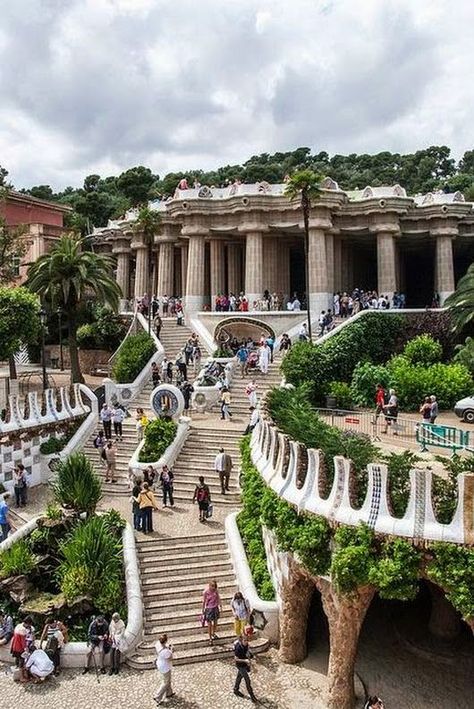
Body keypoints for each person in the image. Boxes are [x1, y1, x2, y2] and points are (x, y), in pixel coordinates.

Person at [233, 633, 258, 703]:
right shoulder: (238, 648)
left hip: (244, 665)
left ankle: (236, 690)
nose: (246, 642)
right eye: (245, 640)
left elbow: (247, 652)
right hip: (240, 666)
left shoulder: (246, 645)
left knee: (239, 677)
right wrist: (245, 660)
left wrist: (251, 656)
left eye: (247, 640)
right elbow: (235, 659)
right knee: (247, 680)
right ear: (241, 641)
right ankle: (252, 696)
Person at [154, 633, 174, 705]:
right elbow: (170, 658)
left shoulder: (157, 644)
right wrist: (171, 650)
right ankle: (157, 696)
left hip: (160, 663)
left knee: (168, 679)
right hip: (165, 666)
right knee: (165, 682)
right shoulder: (165, 652)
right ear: (165, 641)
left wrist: (167, 646)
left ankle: (169, 692)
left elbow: (164, 646)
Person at [202, 580, 222, 645]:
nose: (213, 587)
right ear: (209, 585)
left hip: (215, 608)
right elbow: (204, 601)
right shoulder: (206, 592)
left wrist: (220, 605)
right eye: (212, 586)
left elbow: (218, 598)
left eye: (214, 586)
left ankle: (213, 633)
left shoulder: (216, 591)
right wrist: (203, 609)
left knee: (216, 622)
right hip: (208, 609)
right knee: (209, 625)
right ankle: (210, 638)